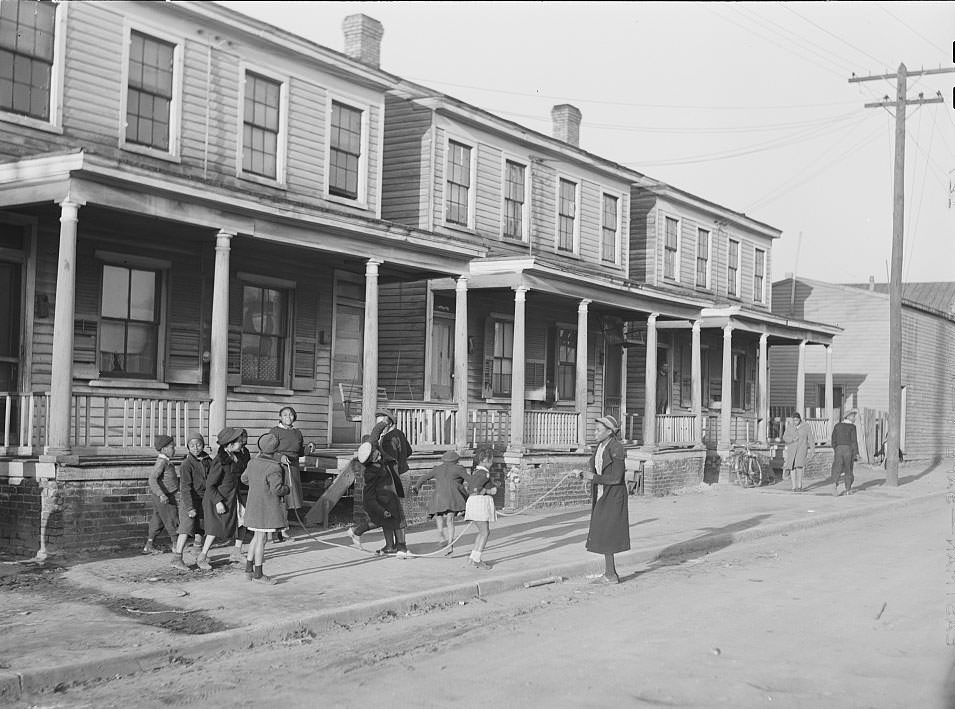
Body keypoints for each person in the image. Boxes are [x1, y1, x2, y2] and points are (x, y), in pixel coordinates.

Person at [581, 415, 630, 584]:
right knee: (603, 531)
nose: (595, 433)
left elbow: (616, 477)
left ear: (609, 432)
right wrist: (584, 475)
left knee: (607, 532)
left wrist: (593, 477)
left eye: (598, 430)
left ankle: (611, 574)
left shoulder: (616, 448)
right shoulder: (601, 446)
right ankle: (610, 573)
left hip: (614, 495)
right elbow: (596, 467)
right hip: (602, 492)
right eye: (595, 429)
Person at [240, 433, 290, 584]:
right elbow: (277, 490)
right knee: (261, 540)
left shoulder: (252, 463)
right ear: (276, 450)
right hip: (265, 509)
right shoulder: (274, 467)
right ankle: (258, 575)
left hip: (252, 507)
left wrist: (258, 485)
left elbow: (244, 479)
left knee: (256, 537)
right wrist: (287, 489)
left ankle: (248, 571)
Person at [345, 440, 406, 556]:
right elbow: (369, 498)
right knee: (393, 521)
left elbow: (374, 436)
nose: (378, 456)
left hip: (388, 498)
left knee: (386, 522)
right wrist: (382, 511)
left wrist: (384, 422)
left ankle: (390, 546)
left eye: (377, 453)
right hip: (379, 502)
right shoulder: (371, 473)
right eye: (375, 456)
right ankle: (401, 548)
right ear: (370, 461)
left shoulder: (378, 460)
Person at [196, 427, 245, 570]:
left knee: (243, 522)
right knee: (214, 530)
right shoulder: (219, 461)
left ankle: (237, 552)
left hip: (233, 497)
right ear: (229, 444)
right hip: (219, 500)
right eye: (238, 441)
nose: (241, 442)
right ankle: (202, 556)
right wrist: (218, 502)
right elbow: (210, 485)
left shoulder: (235, 457)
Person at [410, 450, 468, 556]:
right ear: (456, 460)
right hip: (452, 497)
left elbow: (423, 478)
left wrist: (417, 487)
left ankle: (441, 535)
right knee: (450, 520)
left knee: (439, 516)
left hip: (439, 497)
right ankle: (450, 544)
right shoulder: (459, 469)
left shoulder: (437, 469)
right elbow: (470, 479)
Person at [370, 410, 413, 553]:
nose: (378, 424)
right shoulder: (399, 433)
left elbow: (391, 462)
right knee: (398, 510)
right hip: (405, 474)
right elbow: (409, 451)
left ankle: (395, 546)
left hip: (394, 478)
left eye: (381, 422)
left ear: (387, 423)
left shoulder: (387, 439)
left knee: (391, 511)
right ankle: (398, 545)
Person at [269, 406, 309, 542]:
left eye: (291, 415)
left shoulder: (297, 432)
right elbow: (268, 450)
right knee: (277, 498)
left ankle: (284, 530)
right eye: (285, 415)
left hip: (293, 467)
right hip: (278, 467)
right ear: (280, 417)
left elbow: (299, 451)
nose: (288, 417)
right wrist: (279, 457)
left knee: (287, 500)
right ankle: (273, 532)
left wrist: (308, 449)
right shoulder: (275, 431)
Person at [171, 433, 211, 570]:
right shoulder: (187, 464)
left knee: (201, 526)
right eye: (192, 445)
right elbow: (185, 488)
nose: (196, 448)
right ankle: (177, 557)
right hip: (190, 500)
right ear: (188, 446)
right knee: (186, 528)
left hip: (203, 499)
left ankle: (197, 550)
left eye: (198, 444)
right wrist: (190, 508)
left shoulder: (207, 460)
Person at [143, 434, 180, 555]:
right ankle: (176, 545)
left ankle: (149, 545)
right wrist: (161, 494)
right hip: (164, 497)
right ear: (164, 449)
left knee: (158, 520)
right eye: (172, 447)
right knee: (172, 518)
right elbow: (152, 479)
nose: (174, 449)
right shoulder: (161, 462)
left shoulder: (166, 461)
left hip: (162, 496)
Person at [463, 447, 497, 570]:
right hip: (480, 503)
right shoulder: (485, 473)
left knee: (482, 532)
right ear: (485, 460)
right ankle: (477, 559)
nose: (491, 463)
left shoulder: (476, 472)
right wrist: (489, 490)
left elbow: (470, 487)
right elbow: (475, 490)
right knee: (485, 532)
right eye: (491, 461)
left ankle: (473, 557)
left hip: (473, 503)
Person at [231, 429, 253, 562]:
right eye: (241, 438)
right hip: (235, 489)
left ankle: (237, 550)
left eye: (245, 437)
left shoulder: (246, 452)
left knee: (244, 518)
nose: (244, 440)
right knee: (238, 519)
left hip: (245, 488)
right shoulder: (232, 454)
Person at [782, 413, 815, 492]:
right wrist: (792, 439)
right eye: (794, 420)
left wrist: (812, 450)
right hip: (792, 449)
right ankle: (794, 487)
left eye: (796, 420)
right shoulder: (790, 426)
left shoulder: (806, 426)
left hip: (801, 449)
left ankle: (799, 486)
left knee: (799, 467)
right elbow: (785, 437)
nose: (795, 422)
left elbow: (810, 438)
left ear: (800, 419)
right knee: (792, 467)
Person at [831, 409, 860, 496]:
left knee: (837, 468)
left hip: (838, 449)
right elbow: (854, 441)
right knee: (848, 469)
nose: (854, 418)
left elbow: (833, 439)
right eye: (853, 416)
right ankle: (848, 489)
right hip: (848, 449)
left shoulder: (837, 426)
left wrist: (836, 448)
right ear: (848, 417)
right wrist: (856, 453)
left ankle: (834, 484)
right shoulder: (852, 427)